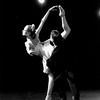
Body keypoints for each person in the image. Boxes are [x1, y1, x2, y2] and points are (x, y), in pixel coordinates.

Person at [22, 5, 80, 100]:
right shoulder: (32, 41)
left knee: (56, 78)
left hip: (47, 52)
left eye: (25, 31)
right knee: (56, 79)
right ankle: (54, 96)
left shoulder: (37, 37)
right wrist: (53, 12)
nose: (24, 33)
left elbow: (42, 22)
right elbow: (42, 22)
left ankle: (49, 96)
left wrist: (51, 12)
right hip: (46, 52)